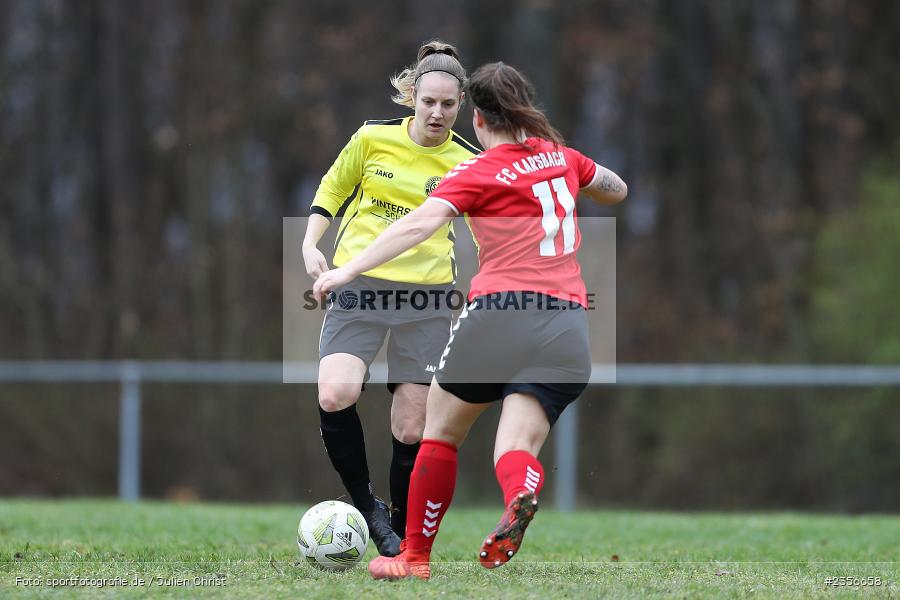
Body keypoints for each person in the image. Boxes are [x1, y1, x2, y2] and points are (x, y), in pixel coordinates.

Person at [313, 61, 627, 579]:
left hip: (501, 314)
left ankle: (413, 558)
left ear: (477, 119)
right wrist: (574, 174)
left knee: (438, 434)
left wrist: (349, 268)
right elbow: (614, 189)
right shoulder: (562, 157)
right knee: (516, 445)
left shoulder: (476, 171)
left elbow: (417, 226)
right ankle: (521, 493)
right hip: (568, 326)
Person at [302, 40, 479, 557]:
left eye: (449, 104)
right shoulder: (372, 139)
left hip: (425, 301)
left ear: (461, 104)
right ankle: (368, 510)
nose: (438, 113)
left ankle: (400, 537)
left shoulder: (467, 162)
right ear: (413, 98)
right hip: (357, 287)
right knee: (335, 394)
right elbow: (332, 190)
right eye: (429, 102)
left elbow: (487, 235)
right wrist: (310, 245)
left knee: (412, 424)